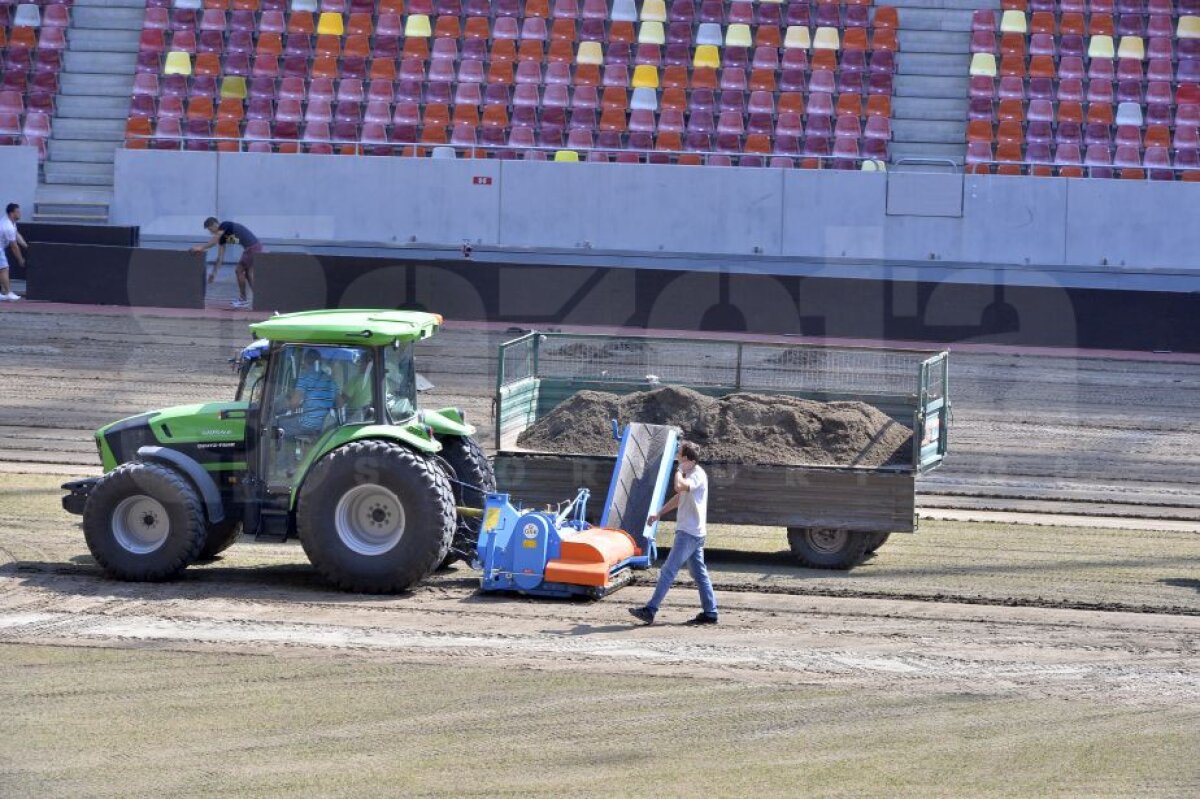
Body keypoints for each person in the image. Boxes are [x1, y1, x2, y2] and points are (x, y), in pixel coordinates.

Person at [629, 441, 719, 626]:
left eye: (679, 455)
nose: (677, 458)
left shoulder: (696, 475)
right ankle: (710, 612)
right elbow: (680, 497)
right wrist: (659, 514)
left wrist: (677, 471)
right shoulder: (691, 474)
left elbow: (679, 487)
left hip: (688, 533)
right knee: (699, 573)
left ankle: (651, 610)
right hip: (694, 532)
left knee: (668, 571)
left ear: (688, 459)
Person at [190, 216, 263, 309]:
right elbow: (220, 258)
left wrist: (201, 247)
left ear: (215, 224)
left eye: (210, 229)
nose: (210, 232)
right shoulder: (222, 238)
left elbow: (215, 240)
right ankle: (260, 298)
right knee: (248, 274)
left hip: (252, 248)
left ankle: (244, 300)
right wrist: (213, 273)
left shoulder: (225, 225)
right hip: (254, 247)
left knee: (239, 270)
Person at [278, 350, 339, 437]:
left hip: (308, 424)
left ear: (305, 361)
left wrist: (289, 407)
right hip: (325, 424)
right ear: (320, 361)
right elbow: (340, 404)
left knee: (278, 425)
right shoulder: (331, 380)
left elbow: (294, 403)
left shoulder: (305, 377)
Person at [0, 203, 28, 302]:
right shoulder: (7, 226)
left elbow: (16, 234)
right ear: (11, 214)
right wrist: (20, 259)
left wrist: (26, 246)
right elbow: (14, 246)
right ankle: (8, 293)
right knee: (4, 268)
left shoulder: (11, 223)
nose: (20, 213)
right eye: (18, 212)